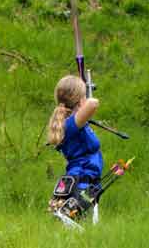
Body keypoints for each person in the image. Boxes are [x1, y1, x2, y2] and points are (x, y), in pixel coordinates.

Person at [47, 75, 103, 218]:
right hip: (81, 182)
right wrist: (85, 101)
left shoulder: (74, 123)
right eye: (84, 95)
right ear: (80, 100)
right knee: (79, 224)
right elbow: (93, 103)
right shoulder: (72, 124)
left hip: (87, 180)